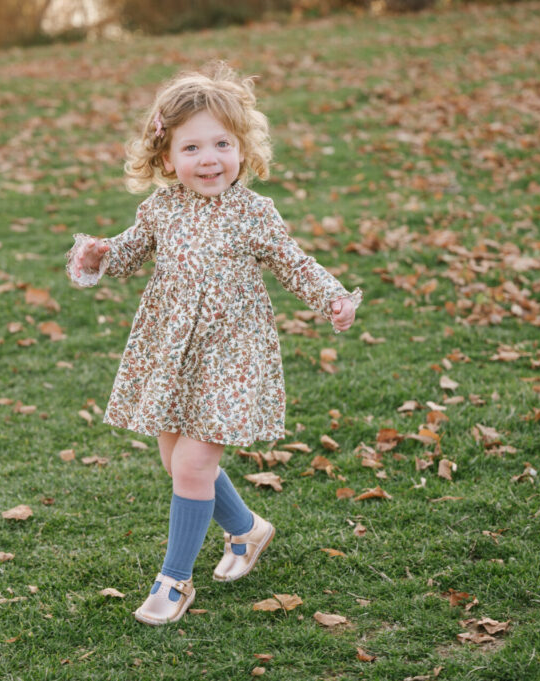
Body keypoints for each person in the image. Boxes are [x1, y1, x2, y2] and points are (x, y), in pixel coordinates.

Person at [65, 62, 361, 626]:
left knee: (195, 463)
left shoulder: (253, 212)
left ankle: (174, 581)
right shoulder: (161, 208)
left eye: (222, 144)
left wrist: (332, 298)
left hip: (233, 353)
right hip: (172, 348)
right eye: (192, 147)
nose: (209, 159)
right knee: (178, 461)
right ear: (167, 157)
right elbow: (131, 250)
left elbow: (292, 263)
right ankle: (248, 531)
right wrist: (101, 255)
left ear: (242, 148)